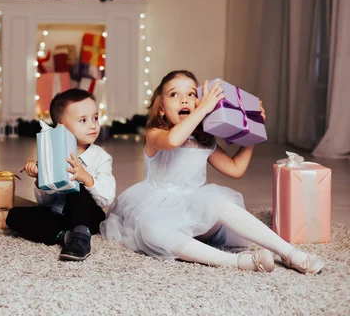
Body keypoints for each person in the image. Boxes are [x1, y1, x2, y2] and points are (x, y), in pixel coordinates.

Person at [100, 70, 325, 274]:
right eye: (174, 95)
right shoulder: (155, 134)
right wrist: (204, 108)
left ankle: (290, 253)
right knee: (152, 230)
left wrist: (251, 131)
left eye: (191, 94)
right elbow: (174, 139)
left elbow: (236, 169)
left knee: (218, 202)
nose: (184, 99)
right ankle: (239, 262)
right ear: (161, 108)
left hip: (198, 212)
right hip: (160, 211)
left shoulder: (205, 142)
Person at [6, 88, 116, 261]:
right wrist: (39, 179)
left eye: (95, 118)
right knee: (14, 216)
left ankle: (80, 238)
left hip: (87, 217)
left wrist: (85, 177)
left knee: (75, 186)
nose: (93, 125)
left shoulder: (100, 157)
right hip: (59, 217)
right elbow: (44, 202)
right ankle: (65, 236)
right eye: (83, 120)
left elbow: (107, 198)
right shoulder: (53, 153)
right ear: (61, 128)